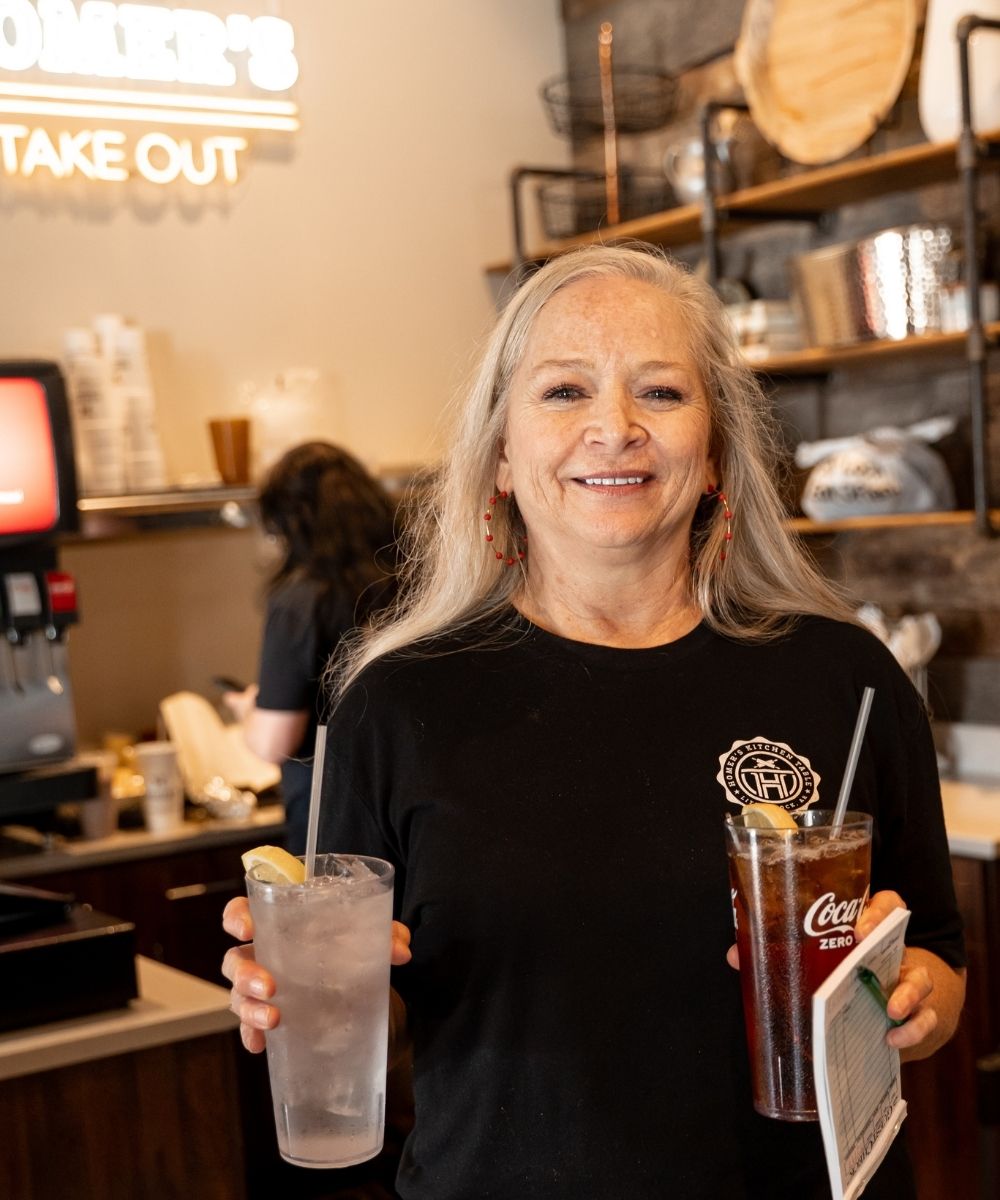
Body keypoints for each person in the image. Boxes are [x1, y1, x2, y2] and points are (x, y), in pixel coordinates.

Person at [223, 244, 966, 1199]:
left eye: (660, 393)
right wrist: (294, 996)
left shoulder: (847, 681)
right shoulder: (395, 704)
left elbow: (938, 960)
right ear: (499, 455)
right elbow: (378, 1022)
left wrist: (910, 1000)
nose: (613, 429)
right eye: (565, 391)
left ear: (717, 457)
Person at [224, 441, 397, 855]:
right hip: (408, 803)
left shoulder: (301, 600)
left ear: (289, 523)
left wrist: (249, 711)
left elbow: (274, 741)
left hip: (331, 818)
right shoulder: (414, 578)